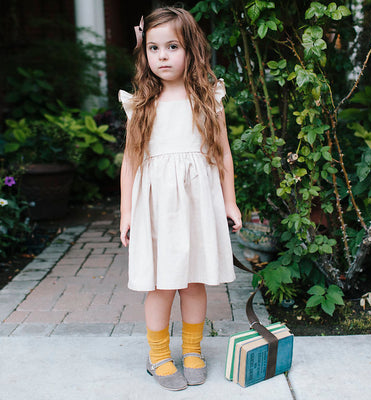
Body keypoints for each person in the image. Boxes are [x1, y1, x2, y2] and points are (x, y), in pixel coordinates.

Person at [118, 6, 242, 391]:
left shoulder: (208, 98)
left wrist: (230, 201)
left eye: (172, 46)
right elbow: (131, 162)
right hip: (156, 208)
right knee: (161, 284)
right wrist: (127, 214)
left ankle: (192, 349)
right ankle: (158, 355)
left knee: (193, 281)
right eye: (154, 48)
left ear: (191, 49)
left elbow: (222, 152)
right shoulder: (141, 103)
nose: (163, 56)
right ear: (144, 54)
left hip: (197, 205)